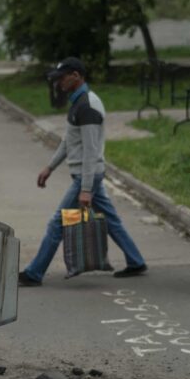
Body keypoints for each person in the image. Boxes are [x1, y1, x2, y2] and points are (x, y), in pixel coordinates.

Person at [18, 57, 147, 287]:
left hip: (88, 176)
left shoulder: (87, 106)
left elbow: (91, 151)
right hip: (88, 174)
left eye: (62, 78)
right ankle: (136, 260)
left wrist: (86, 189)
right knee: (111, 220)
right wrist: (50, 167)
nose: (58, 83)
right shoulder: (78, 102)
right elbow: (69, 141)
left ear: (76, 76)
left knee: (57, 224)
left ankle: (34, 273)